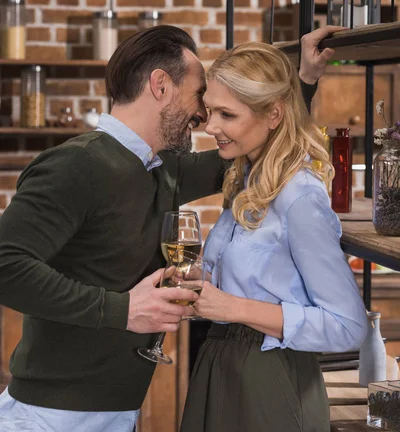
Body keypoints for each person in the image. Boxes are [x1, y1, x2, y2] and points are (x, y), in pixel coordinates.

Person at [0, 25, 338, 432]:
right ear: (160, 85)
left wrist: (302, 82)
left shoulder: (159, 169)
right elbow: (6, 265)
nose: (204, 114)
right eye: (199, 95)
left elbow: (253, 140)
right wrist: (125, 310)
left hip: (113, 411)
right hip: (53, 418)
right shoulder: (76, 165)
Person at [180, 41, 369, 432]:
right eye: (211, 110)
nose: (210, 126)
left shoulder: (300, 198)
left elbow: (348, 326)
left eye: (226, 114)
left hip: (271, 382)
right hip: (220, 367)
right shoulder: (246, 181)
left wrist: (232, 307)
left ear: (273, 114)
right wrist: (206, 285)